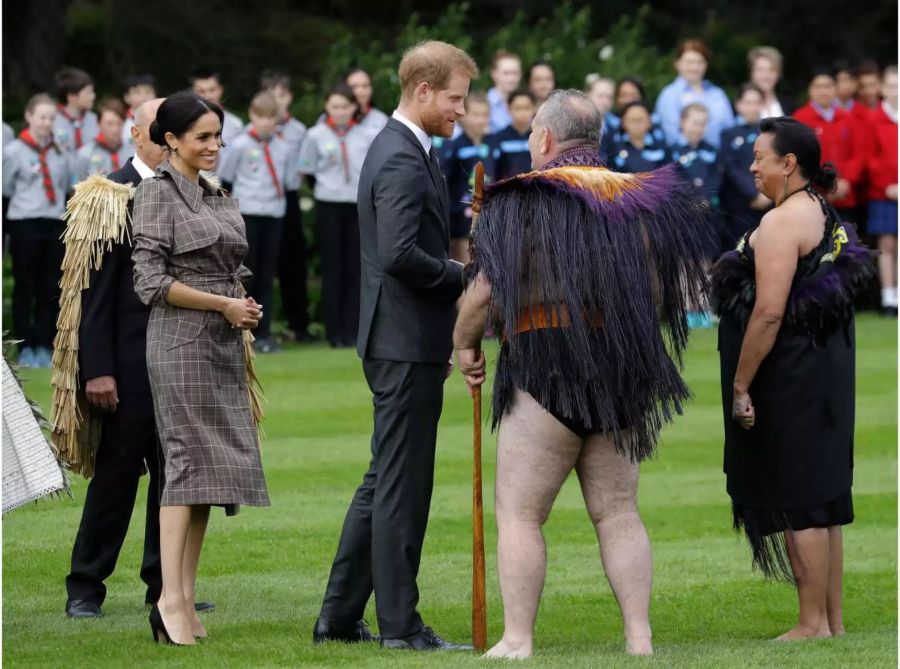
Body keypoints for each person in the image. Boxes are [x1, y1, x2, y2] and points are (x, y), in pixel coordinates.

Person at [453, 89, 710, 659]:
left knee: (520, 514)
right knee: (618, 511)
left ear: (544, 139)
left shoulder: (519, 200)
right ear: (595, 140)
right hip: (624, 367)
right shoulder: (639, 199)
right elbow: (664, 293)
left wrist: (464, 346)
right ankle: (639, 640)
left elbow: (486, 293)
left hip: (546, 359)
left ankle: (518, 640)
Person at [314, 40, 476, 652]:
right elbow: (401, 254)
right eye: (456, 98)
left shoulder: (408, 148)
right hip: (404, 340)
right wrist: (467, 278)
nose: (462, 110)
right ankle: (401, 628)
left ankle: (338, 618)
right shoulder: (403, 157)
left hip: (402, 337)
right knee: (402, 487)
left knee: (385, 478)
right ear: (424, 91)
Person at [712, 116, 873, 640]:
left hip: (791, 375)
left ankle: (811, 623)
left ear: (789, 163)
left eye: (760, 157)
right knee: (822, 495)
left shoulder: (783, 222)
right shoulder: (821, 210)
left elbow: (769, 312)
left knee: (800, 494)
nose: (752, 166)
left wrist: (740, 384)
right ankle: (831, 621)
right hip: (823, 372)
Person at [61, 98, 215, 619]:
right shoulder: (110, 195)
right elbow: (92, 295)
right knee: (117, 474)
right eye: (159, 126)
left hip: (186, 358)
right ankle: (85, 585)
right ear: (139, 133)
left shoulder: (201, 191)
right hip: (127, 364)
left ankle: (165, 586)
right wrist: (97, 368)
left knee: (178, 475)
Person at [132, 91, 269, 645]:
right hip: (179, 345)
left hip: (220, 343)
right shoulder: (154, 196)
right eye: (202, 137)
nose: (213, 146)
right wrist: (222, 304)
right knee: (186, 467)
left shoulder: (216, 194)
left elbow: (226, 267)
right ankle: (167, 601)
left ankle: (185, 600)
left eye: (218, 135)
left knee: (209, 475)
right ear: (171, 140)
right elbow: (150, 284)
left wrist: (241, 303)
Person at [298, 83, 377, 348]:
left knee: (355, 268)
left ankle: (354, 330)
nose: (341, 111)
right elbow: (307, 171)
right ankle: (333, 332)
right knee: (332, 269)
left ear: (354, 107)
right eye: (335, 106)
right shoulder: (315, 135)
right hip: (328, 203)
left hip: (356, 204)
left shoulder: (365, 135)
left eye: (345, 106)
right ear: (327, 108)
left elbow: (371, 171)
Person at [218, 91, 291, 353]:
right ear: (252, 115)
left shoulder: (282, 146)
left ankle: (265, 332)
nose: (266, 123)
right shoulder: (239, 145)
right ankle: (241, 329)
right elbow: (226, 180)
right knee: (246, 273)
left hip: (273, 213)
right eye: (261, 117)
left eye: (271, 117)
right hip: (246, 213)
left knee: (266, 275)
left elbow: (289, 182)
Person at [4, 93, 72, 368]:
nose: (46, 123)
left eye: (51, 118)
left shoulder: (59, 152)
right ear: (29, 116)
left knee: (50, 285)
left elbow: (64, 187)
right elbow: (6, 189)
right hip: (25, 222)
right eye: (42, 117)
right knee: (25, 286)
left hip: (53, 221)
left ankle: (44, 344)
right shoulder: (12, 152)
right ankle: (24, 345)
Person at [260, 70, 311, 342]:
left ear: (289, 97)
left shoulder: (299, 131)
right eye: (271, 96)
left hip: (289, 196)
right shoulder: (255, 132)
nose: (277, 101)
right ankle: (259, 327)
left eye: (281, 95)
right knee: (262, 265)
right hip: (261, 199)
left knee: (293, 264)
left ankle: (298, 325)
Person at [793, 67, 864, 222]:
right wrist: (825, 183)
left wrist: (846, 180)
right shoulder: (800, 118)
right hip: (813, 195)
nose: (823, 91)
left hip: (845, 195)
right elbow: (800, 157)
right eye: (818, 87)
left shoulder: (848, 118)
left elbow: (858, 153)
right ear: (810, 90)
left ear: (835, 88)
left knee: (846, 241)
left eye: (828, 86)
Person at [440, 91, 493, 262]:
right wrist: (453, 209)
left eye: (484, 114)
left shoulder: (492, 143)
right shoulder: (455, 146)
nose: (480, 119)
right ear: (463, 115)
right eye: (475, 114)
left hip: (488, 216)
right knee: (466, 266)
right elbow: (446, 181)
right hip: (462, 219)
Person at [655, 39, 734, 148]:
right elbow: (671, 135)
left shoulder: (718, 94)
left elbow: (729, 128)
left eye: (700, 62)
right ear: (678, 64)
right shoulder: (669, 95)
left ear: (706, 65)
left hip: (719, 159)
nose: (694, 67)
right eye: (689, 62)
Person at [720, 83, 772, 244]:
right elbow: (731, 169)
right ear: (739, 105)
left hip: (768, 201)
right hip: (739, 206)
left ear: (762, 104)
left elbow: (774, 164)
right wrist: (753, 193)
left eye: (756, 102)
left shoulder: (771, 133)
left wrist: (766, 193)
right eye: (747, 103)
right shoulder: (728, 134)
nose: (752, 107)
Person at [867, 65, 898, 316]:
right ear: (882, 89)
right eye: (890, 86)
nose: (895, 92)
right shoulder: (874, 118)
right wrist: (887, 185)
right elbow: (871, 157)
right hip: (884, 192)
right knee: (887, 243)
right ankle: (889, 298)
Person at [75, 98, 134, 182]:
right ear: (99, 124)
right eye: (110, 124)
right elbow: (79, 188)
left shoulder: (132, 152)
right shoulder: (85, 154)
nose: (115, 129)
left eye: (119, 123)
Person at [607, 102, 671, 173]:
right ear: (623, 122)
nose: (636, 124)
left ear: (650, 122)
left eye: (640, 120)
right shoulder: (613, 149)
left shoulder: (662, 148)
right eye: (632, 120)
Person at [189, 67, 244, 147]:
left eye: (212, 90)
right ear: (193, 93)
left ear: (221, 89)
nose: (207, 96)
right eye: (201, 91)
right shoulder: (185, 124)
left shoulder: (235, 124)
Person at [488, 89, 535, 180]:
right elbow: (493, 170)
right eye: (518, 108)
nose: (523, 113)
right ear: (508, 109)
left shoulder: (540, 138)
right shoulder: (499, 138)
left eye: (527, 108)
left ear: (533, 108)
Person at [53, 67, 99, 157]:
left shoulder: (95, 120)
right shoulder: (53, 122)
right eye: (88, 92)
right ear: (71, 96)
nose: (93, 96)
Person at [748, 46, 795, 118]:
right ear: (752, 73)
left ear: (779, 74)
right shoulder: (739, 107)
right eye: (760, 70)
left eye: (772, 70)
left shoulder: (789, 106)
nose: (766, 75)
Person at [487, 50, 522, 134]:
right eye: (506, 73)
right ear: (494, 74)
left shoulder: (526, 103)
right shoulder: (484, 104)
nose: (511, 79)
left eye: (515, 73)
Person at [344, 67, 390, 131]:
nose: (360, 91)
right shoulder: (331, 119)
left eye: (365, 86)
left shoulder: (382, 121)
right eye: (354, 86)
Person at [121, 74, 157, 149]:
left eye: (148, 92)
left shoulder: (162, 120)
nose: (143, 96)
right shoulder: (120, 122)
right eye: (137, 92)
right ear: (126, 97)